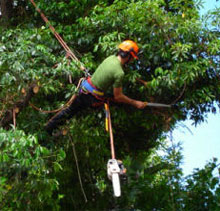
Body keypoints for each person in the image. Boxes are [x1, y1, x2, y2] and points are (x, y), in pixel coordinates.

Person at [45, 40, 147, 135]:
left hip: (86, 87)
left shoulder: (110, 58)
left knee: (70, 111)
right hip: (90, 96)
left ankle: (49, 128)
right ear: (129, 57)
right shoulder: (119, 73)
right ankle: (47, 129)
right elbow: (118, 97)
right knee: (69, 112)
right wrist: (135, 103)